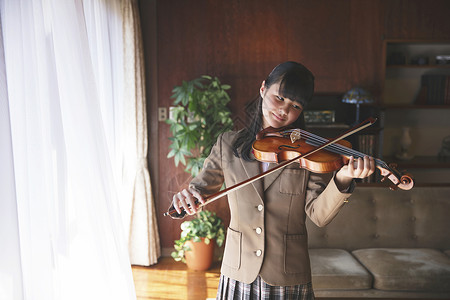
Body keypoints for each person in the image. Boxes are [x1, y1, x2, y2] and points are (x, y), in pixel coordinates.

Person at [170, 61, 375, 299]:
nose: (284, 110)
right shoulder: (227, 144)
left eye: (295, 105)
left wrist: (343, 177)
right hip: (239, 269)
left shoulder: (310, 154)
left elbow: (319, 215)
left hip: (286, 273)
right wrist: (187, 196)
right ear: (263, 89)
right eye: (279, 98)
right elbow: (201, 188)